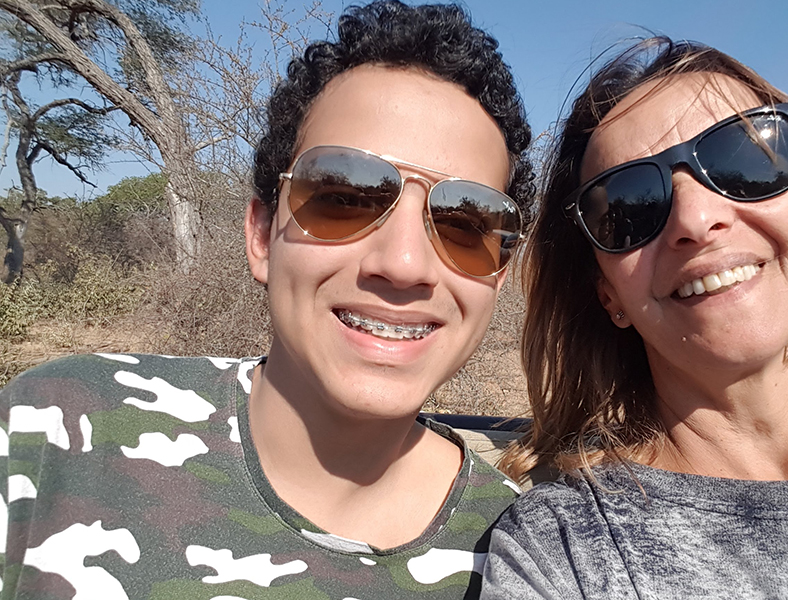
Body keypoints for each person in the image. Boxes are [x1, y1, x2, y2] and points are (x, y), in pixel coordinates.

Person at [0, 2, 534, 598]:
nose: (404, 264)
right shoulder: (55, 430)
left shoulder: (527, 555)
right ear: (260, 235)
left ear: (498, 277)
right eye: (344, 197)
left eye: (465, 224)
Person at [481, 37, 788, 599]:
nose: (696, 220)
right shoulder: (563, 552)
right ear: (609, 295)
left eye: (743, 160)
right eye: (629, 204)